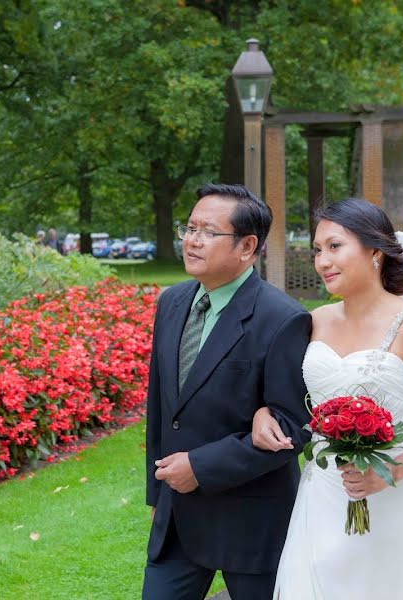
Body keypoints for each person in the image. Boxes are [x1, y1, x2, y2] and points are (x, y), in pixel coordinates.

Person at [252, 198, 403, 599]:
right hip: (322, 496)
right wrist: (263, 413)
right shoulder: (313, 321)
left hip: (392, 499)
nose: (322, 261)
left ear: (374, 251)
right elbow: (289, 398)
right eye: (317, 250)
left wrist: (391, 472)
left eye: (335, 246)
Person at [142, 183, 313, 600]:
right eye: (189, 228)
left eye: (207, 232)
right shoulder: (173, 302)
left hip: (251, 521)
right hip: (178, 517)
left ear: (246, 246)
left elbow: (292, 427)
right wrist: (157, 494)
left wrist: (199, 466)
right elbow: (162, 406)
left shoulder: (283, 318)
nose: (191, 240)